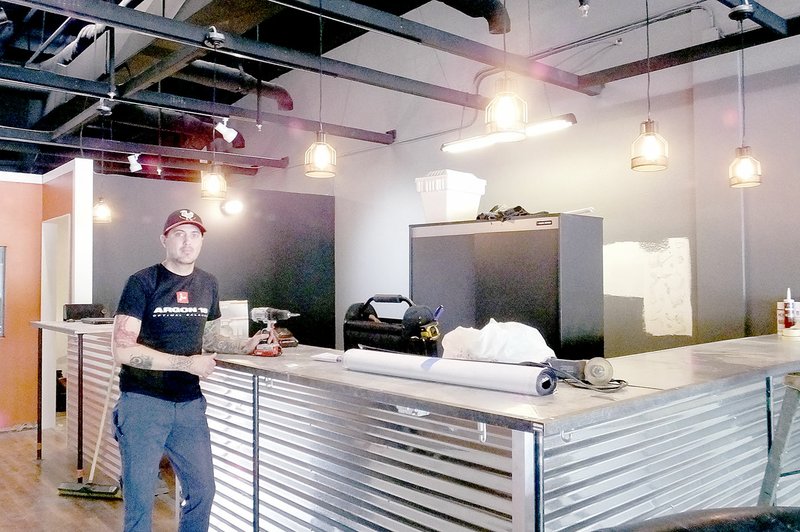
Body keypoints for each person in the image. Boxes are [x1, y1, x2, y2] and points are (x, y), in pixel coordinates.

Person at [111, 208, 268, 532]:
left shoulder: (208, 283)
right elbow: (122, 350)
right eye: (179, 234)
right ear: (164, 239)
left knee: (202, 491)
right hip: (142, 403)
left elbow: (209, 336)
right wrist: (186, 363)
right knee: (140, 500)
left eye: (194, 234)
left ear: (202, 241)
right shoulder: (142, 282)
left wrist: (246, 345)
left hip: (189, 406)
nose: (187, 242)